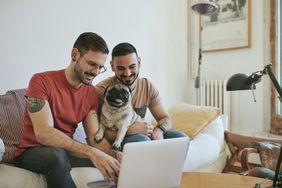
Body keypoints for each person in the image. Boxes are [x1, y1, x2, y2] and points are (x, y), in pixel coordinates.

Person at [14, 32, 121, 188]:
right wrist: (91, 152)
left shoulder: (91, 94)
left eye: (100, 67)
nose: (96, 72)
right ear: (75, 54)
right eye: (92, 64)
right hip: (32, 151)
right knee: (56, 156)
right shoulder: (41, 81)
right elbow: (44, 133)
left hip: (65, 151)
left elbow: (94, 139)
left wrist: (114, 155)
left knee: (112, 164)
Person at [96, 42, 187, 149]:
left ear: (139, 63)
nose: (128, 73)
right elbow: (94, 131)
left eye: (132, 66)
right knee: (142, 141)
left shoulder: (147, 86)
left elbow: (165, 118)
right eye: (121, 68)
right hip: (121, 139)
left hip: (145, 134)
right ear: (112, 66)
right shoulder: (102, 90)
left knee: (181, 138)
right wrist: (129, 130)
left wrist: (159, 131)